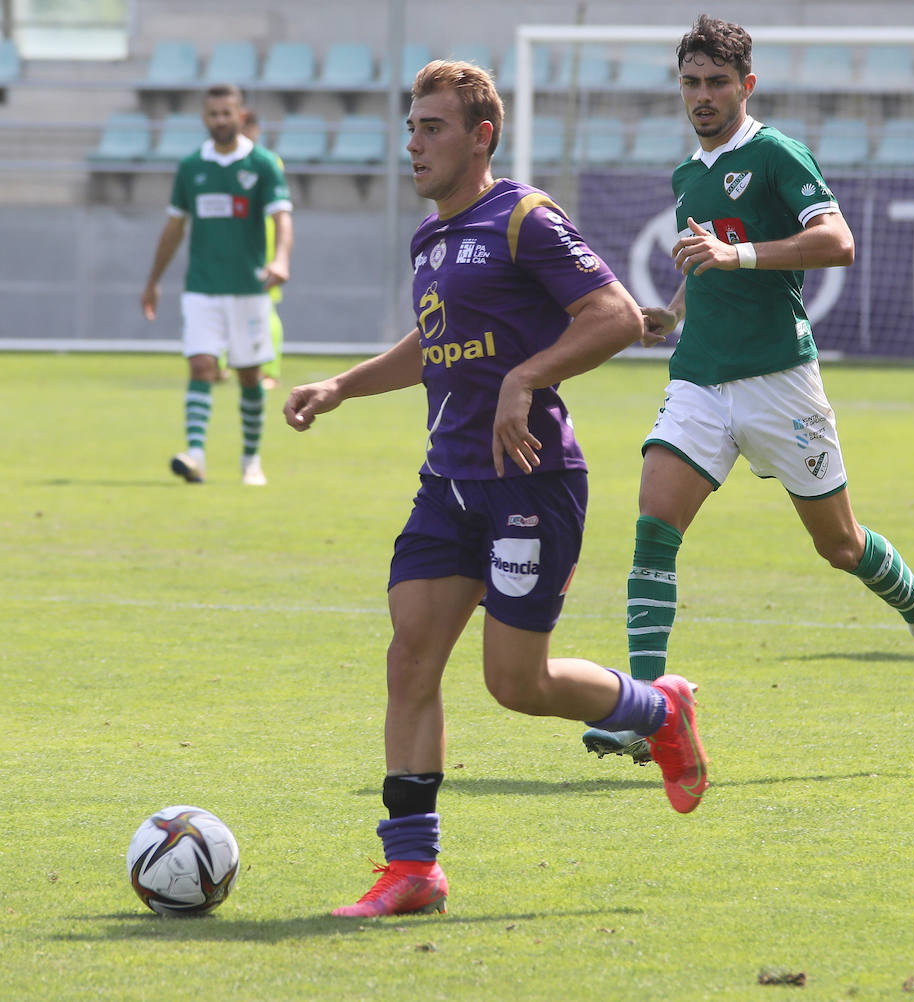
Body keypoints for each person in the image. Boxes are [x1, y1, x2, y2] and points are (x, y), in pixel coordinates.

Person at [282, 60, 708, 919]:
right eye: (410, 127)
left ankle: (658, 709)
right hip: (449, 484)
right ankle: (413, 870)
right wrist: (342, 385)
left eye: (431, 128)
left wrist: (525, 379)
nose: (413, 145)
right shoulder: (431, 240)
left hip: (531, 481)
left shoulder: (524, 218)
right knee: (410, 659)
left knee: (517, 683)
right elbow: (429, 344)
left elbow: (619, 317)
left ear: (481, 136)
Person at [581, 15, 914, 767]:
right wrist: (674, 308)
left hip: (780, 381)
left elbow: (838, 242)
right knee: (652, 524)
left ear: (747, 86)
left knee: (840, 545)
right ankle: (644, 709)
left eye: (717, 83)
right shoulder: (686, 175)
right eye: (691, 83)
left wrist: (734, 256)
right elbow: (707, 261)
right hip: (702, 376)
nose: (702, 96)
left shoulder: (774, 154)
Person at [141, 83, 292, 486]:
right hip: (201, 288)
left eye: (228, 112)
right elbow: (175, 226)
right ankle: (195, 456)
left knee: (248, 376)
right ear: (204, 118)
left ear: (241, 115)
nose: (221, 120)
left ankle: (250, 460)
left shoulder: (262, 164)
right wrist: (154, 279)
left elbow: (282, 217)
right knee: (201, 364)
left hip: (248, 288)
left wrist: (280, 258)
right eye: (213, 114)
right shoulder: (191, 168)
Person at [236, 108, 286, 391]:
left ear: (255, 130)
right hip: (233, 245)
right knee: (222, 302)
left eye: (247, 128)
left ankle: (270, 371)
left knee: (265, 309)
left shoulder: (267, 163)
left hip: (261, 246)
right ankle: (219, 366)